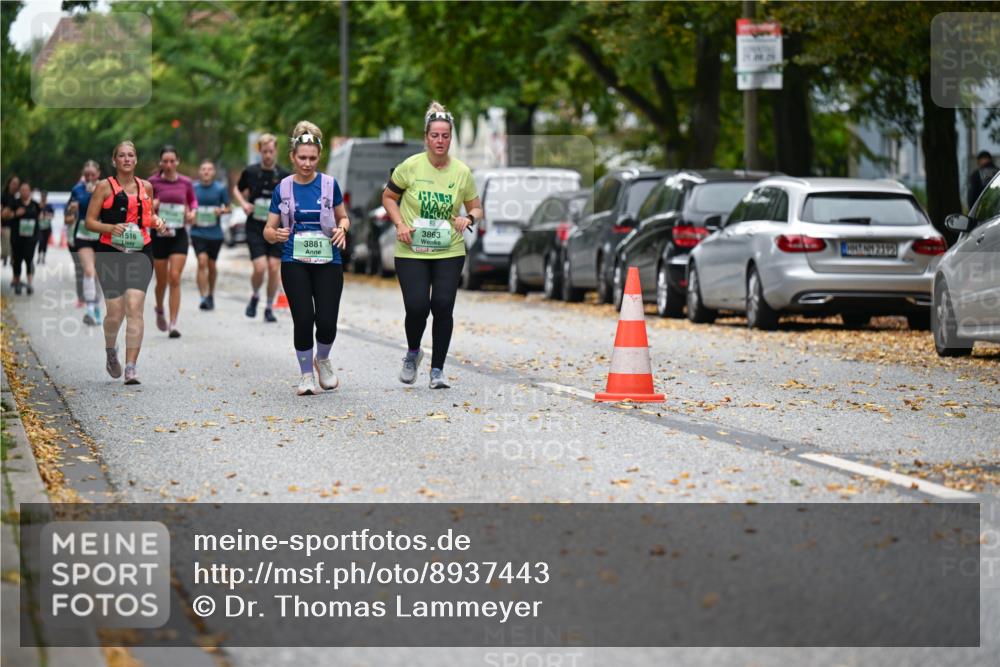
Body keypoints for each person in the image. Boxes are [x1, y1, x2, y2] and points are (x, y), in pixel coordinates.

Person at [383, 102, 482, 389]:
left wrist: (468, 218)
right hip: (412, 249)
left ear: (451, 139)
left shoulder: (462, 172)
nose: (440, 141)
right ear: (426, 137)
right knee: (416, 308)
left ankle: (437, 369)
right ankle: (414, 351)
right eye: (435, 136)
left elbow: (476, 208)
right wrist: (400, 224)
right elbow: (388, 197)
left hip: (448, 250)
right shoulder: (410, 167)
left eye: (445, 136)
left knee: (442, 306)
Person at [262, 121, 348, 396]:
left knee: (326, 321)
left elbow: (343, 216)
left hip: (328, 260)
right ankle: (306, 375)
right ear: (292, 157)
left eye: (312, 158)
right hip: (294, 259)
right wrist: (275, 235)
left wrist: (342, 229)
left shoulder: (329, 185)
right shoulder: (283, 188)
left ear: (318, 157)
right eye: (302, 158)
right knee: (303, 318)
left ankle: (322, 359)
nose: (307, 164)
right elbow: (268, 229)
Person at [84, 140, 166, 385]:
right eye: (122, 155)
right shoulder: (103, 187)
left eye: (131, 155)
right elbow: (90, 222)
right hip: (110, 252)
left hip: (141, 251)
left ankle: (131, 367)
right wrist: (111, 227)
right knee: (115, 313)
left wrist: (158, 222)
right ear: (114, 160)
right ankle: (111, 351)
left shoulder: (147, 187)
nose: (127, 159)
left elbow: (147, 216)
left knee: (134, 307)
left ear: (136, 159)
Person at [233, 134, 289, 322]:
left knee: (274, 268)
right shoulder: (251, 172)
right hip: (256, 226)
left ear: (276, 151)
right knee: (260, 267)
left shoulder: (284, 175)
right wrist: (243, 203)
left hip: (276, 228)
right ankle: (256, 294)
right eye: (264, 151)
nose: (267, 155)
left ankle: (269, 306)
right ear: (260, 152)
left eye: (271, 151)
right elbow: (236, 189)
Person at [149, 145, 197, 338]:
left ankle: (174, 323)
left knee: (174, 277)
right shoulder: (152, 182)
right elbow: (143, 207)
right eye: (165, 161)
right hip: (159, 235)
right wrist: (153, 206)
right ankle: (160, 308)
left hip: (178, 234)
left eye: (172, 161)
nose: (168, 165)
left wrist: (192, 212)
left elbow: (193, 201)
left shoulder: (186, 182)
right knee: (161, 281)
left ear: (178, 161)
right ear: (160, 163)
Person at [66, 161, 104, 324]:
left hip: (101, 236)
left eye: (92, 175)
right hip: (82, 235)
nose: (89, 177)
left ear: (98, 174)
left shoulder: (106, 188)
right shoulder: (77, 190)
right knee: (88, 271)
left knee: (98, 275)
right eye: (86, 174)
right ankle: (90, 310)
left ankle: (96, 306)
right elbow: (68, 217)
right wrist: (72, 211)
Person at [191, 159, 230, 310]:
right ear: (200, 172)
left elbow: (228, 207)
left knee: (212, 266)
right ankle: (202, 297)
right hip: (197, 231)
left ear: (213, 172)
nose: (206, 172)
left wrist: (221, 210)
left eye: (209, 169)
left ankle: (211, 294)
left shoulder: (220, 189)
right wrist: (190, 214)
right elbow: (188, 206)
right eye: (203, 169)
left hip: (215, 233)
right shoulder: (193, 188)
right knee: (202, 261)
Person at [9, 181, 40, 295]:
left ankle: (29, 283)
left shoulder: (35, 204)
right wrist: (16, 214)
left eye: (26, 190)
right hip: (17, 238)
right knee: (17, 260)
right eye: (22, 190)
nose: (24, 192)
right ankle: (17, 282)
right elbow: (6, 215)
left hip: (31, 238)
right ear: (19, 191)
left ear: (30, 191)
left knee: (29, 260)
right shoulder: (14, 203)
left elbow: (40, 216)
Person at [1, 174, 20, 268]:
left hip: (14, 227)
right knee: (6, 251)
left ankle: (15, 275)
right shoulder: (3, 196)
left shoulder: (16, 198)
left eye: (17, 184)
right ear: (9, 184)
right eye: (14, 183)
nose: (15, 186)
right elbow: (3, 214)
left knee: (15, 251)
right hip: (5, 227)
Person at [36, 191, 54, 265]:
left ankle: (43, 257)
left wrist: (47, 216)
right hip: (40, 227)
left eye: (44, 197)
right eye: (42, 197)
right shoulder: (38, 205)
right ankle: (39, 256)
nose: (43, 198)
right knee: (41, 241)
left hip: (47, 227)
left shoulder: (49, 206)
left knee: (45, 242)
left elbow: (52, 216)